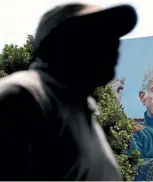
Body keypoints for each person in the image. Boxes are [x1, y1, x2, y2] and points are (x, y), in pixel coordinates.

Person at [0, 3, 137, 180]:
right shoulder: (22, 96)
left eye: (115, 37)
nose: (116, 46)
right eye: (99, 34)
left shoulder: (81, 109)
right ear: (61, 42)